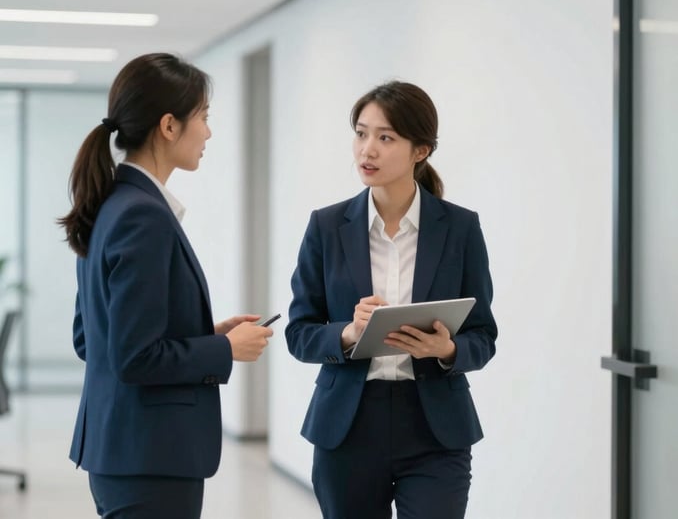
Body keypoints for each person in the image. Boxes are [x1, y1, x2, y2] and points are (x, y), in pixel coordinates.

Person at [58, 52, 273, 519]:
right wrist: (224, 350)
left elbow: (90, 338)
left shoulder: (111, 202)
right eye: (204, 118)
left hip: (123, 453)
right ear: (169, 126)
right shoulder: (142, 216)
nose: (209, 133)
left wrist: (209, 334)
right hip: (149, 457)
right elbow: (134, 356)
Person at [286, 81, 498, 519]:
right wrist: (347, 332)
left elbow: (484, 334)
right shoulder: (327, 227)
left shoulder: (459, 228)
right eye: (361, 134)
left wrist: (450, 350)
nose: (368, 150)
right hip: (348, 427)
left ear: (420, 150)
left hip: (435, 428)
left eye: (386, 138)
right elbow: (299, 332)